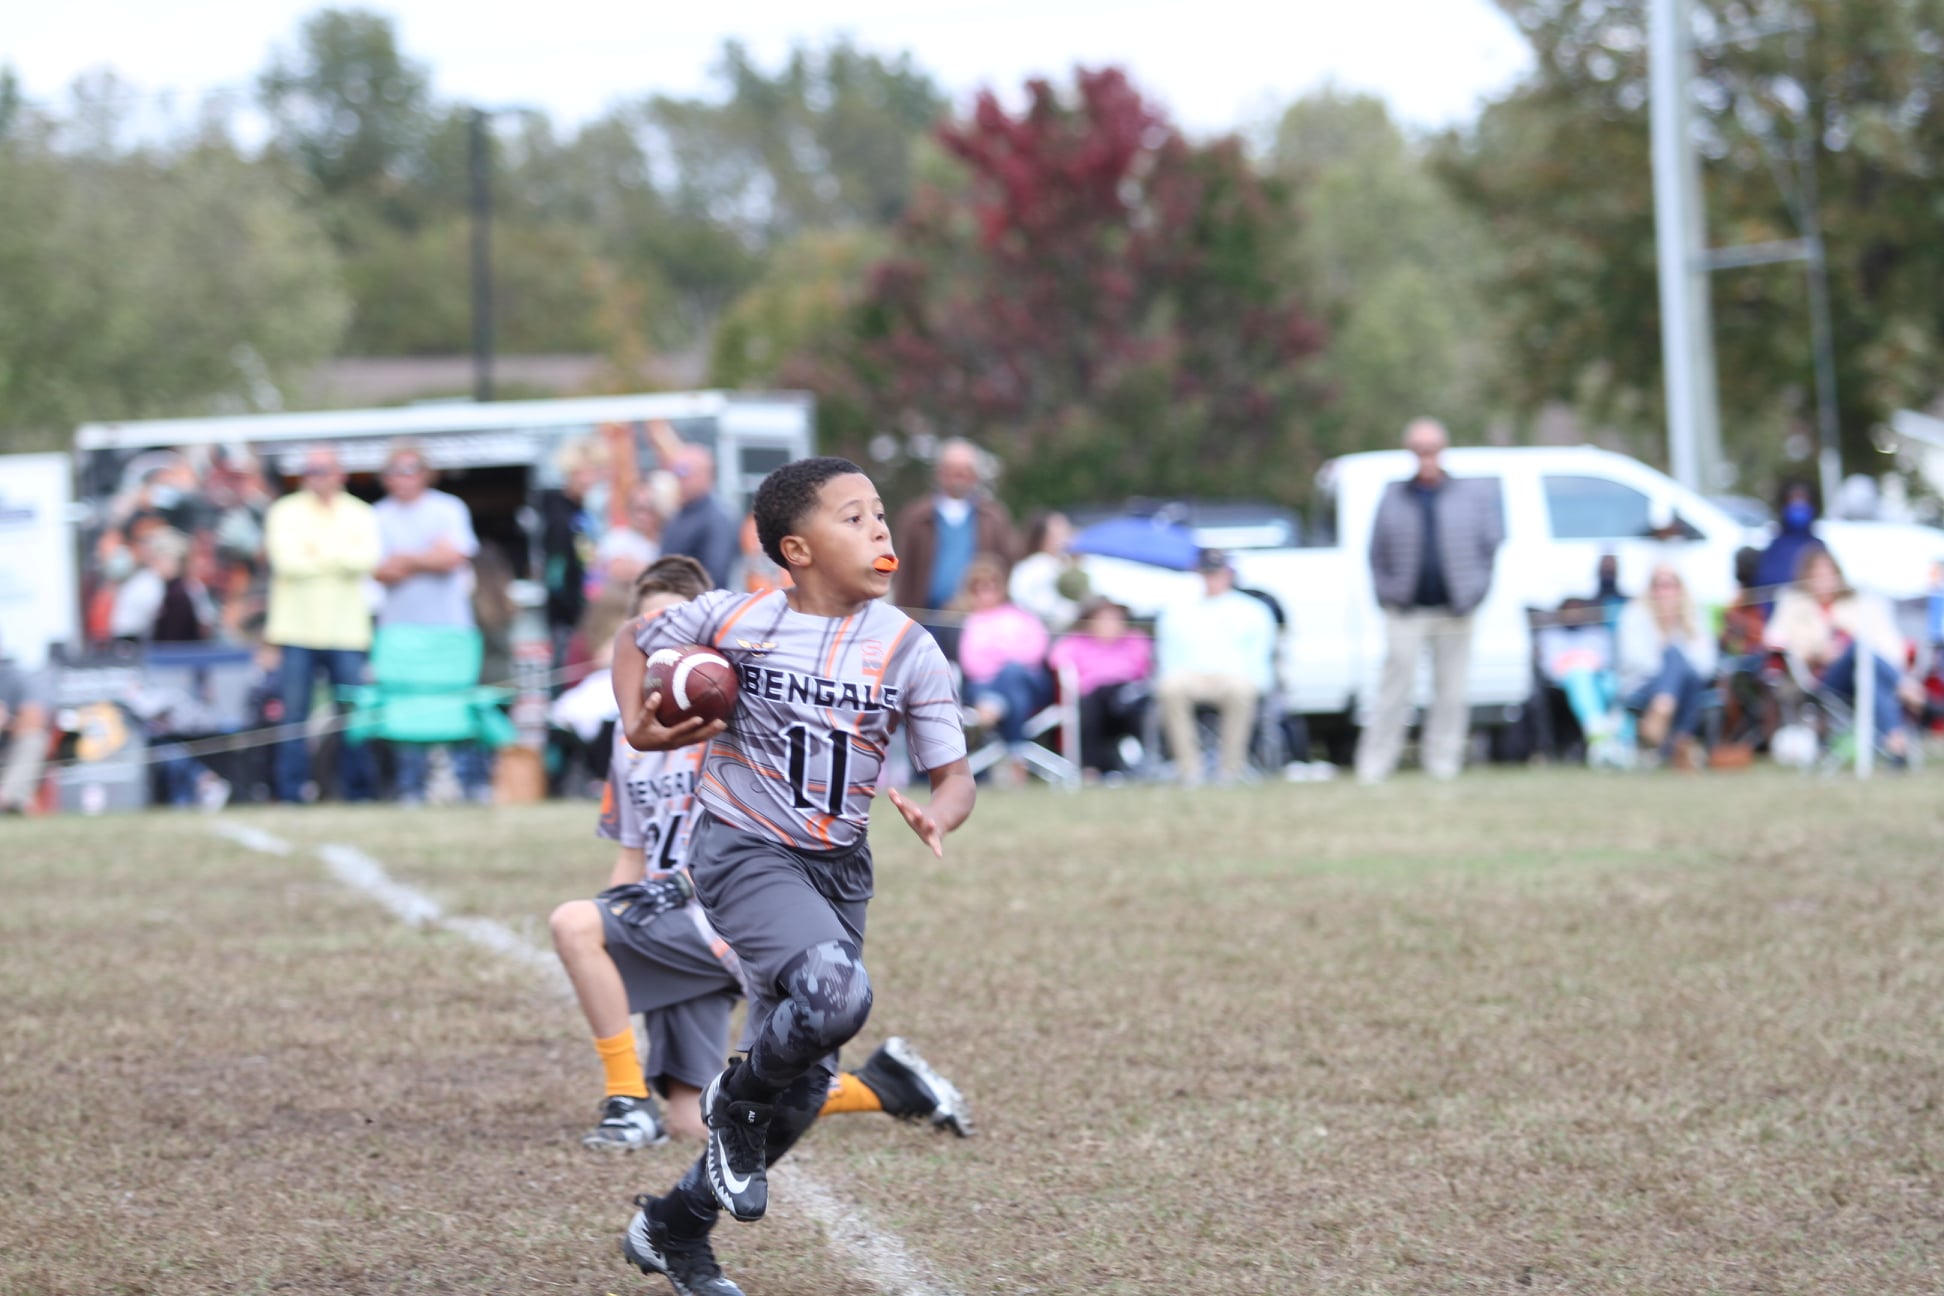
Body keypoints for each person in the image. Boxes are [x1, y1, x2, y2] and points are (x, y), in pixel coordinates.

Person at [610, 456, 975, 1296]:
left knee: (806, 1088)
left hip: (838, 870)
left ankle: (672, 1228)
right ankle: (733, 1101)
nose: (879, 530)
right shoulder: (732, 618)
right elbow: (638, 639)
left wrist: (940, 812)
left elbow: (955, 774)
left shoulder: (910, 648)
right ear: (796, 548)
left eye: (881, 515)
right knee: (837, 997)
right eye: (853, 518)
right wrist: (638, 724)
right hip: (742, 847)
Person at [550, 556, 973, 1153]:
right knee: (694, 1122)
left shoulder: (744, 733)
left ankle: (625, 1102)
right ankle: (885, 1087)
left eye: (681, 636)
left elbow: (761, 846)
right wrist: (623, 916)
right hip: (666, 922)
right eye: (656, 639)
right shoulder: (633, 744)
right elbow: (633, 856)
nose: (669, 659)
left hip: (720, 923)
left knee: (572, 923)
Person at [1356, 418, 1504, 783]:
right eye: (1420, 449)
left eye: (1432, 449)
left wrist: (1474, 592)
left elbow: (1490, 546)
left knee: (1451, 690)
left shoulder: (1470, 495)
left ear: (1443, 450)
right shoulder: (1394, 495)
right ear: (1410, 452)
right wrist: (1387, 593)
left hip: (1456, 609)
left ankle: (1443, 762)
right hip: (1405, 610)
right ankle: (1375, 763)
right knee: (1394, 687)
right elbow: (1376, 552)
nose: (1427, 456)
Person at [371, 443, 491, 803]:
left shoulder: (448, 508)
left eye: (411, 469)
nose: (404, 478)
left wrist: (405, 558)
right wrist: (428, 555)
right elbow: (379, 570)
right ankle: (411, 788)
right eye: (396, 470)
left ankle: (473, 785)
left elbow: (452, 557)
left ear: (425, 473)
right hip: (399, 631)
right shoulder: (376, 515)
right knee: (407, 710)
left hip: (450, 630)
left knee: (459, 707)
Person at [263, 447, 381, 804]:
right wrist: (339, 557)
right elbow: (287, 563)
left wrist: (315, 554)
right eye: (311, 470)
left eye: (325, 469)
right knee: (294, 717)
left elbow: (367, 559)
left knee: (353, 718)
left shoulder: (360, 513)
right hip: (296, 631)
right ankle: (291, 793)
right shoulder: (284, 511)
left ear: (339, 473)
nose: (318, 476)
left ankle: (356, 792)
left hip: (346, 631)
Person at [1765, 548, 1924, 765]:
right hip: (1822, 680)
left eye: (1828, 573)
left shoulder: (1856, 602)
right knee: (1856, 648)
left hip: (1861, 676)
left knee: (1868, 674)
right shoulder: (1793, 603)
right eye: (1817, 574)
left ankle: (1895, 745)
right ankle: (1907, 688)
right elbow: (1776, 641)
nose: (1823, 580)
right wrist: (1818, 653)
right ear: (1806, 577)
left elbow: (1886, 642)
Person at [1153, 549, 1276, 785]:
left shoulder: (1252, 610)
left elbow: (1260, 656)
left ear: (1228, 574)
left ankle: (1230, 770)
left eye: (1216, 573)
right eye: (1207, 573)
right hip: (1192, 677)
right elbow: (1167, 654)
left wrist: (1259, 682)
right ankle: (1190, 769)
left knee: (1241, 691)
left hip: (1233, 677)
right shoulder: (1179, 610)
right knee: (1169, 688)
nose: (1212, 579)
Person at [892, 438, 1021, 625]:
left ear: (975, 475)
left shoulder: (993, 518)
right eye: (952, 469)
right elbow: (903, 571)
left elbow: (1006, 566)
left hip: (979, 621)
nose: (958, 475)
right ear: (940, 472)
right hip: (925, 617)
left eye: (965, 470)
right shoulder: (916, 517)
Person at [955, 553, 1054, 780]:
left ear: (1002, 588)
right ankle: (1016, 755)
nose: (986, 593)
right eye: (979, 588)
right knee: (1011, 683)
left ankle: (993, 709)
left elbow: (1036, 651)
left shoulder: (1022, 616)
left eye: (991, 586)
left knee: (1013, 673)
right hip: (986, 686)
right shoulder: (970, 622)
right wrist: (1008, 654)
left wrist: (1000, 657)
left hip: (1027, 682)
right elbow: (971, 664)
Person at [1616, 564, 1719, 768]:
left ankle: (1662, 716)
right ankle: (1681, 741)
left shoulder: (1695, 615)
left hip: (1689, 682)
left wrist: (1673, 658)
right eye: (1659, 585)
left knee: (1679, 662)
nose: (1665, 591)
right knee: (1675, 659)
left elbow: (1707, 664)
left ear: (1680, 588)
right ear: (1650, 588)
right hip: (1643, 683)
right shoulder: (1634, 614)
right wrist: (1668, 661)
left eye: (1670, 585)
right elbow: (1633, 660)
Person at [1047, 597, 1152, 780]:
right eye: (1104, 618)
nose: (1110, 623)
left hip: (1125, 696)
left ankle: (1144, 764)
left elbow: (1145, 670)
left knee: (1140, 705)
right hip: (1092, 697)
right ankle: (1090, 767)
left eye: (1115, 618)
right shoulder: (1077, 642)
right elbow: (1056, 661)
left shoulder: (1134, 641)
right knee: (1090, 707)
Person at [651, 423, 740, 591]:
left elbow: (715, 575)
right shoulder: (681, 511)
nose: (678, 478)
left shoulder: (716, 517)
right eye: (674, 472)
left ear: (706, 474)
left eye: (684, 471)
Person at [108, 527, 213, 643]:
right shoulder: (141, 587)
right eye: (170, 556)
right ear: (156, 558)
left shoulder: (192, 587)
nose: (176, 563)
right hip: (146, 654)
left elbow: (204, 625)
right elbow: (127, 633)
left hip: (186, 652)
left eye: (181, 558)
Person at [1008, 510, 1085, 630]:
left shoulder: (1069, 565)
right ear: (1043, 536)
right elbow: (1024, 602)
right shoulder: (1031, 568)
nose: (1065, 535)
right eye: (1059, 530)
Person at [1754, 479, 1824, 611]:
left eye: (1803, 500)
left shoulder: (1818, 548)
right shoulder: (1774, 551)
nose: (1798, 505)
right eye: (1794, 500)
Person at [0, 635, 50, 815]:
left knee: (33, 740)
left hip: (7, 752)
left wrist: (7, 722)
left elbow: (35, 722)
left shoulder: (16, 677)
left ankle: (8, 800)